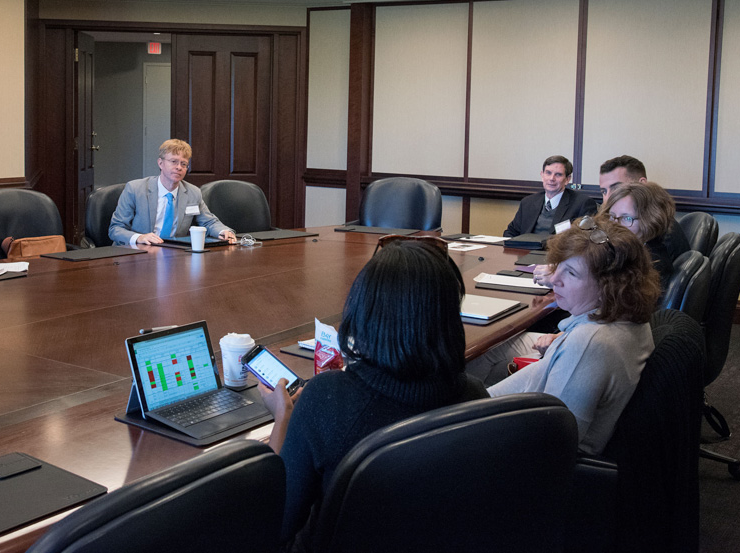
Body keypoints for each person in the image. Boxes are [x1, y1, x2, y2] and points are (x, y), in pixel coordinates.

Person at [260, 237, 487, 549]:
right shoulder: (474, 398)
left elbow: (274, 523)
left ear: (364, 314)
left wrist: (284, 417)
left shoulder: (328, 400)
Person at [488, 217, 660, 455]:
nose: (555, 278)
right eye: (558, 265)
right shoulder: (624, 318)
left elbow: (552, 444)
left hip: (510, 451)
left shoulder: (590, 343)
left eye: (571, 273)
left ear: (607, 287)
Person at [108, 139, 237, 246]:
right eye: (174, 161)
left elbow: (209, 222)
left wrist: (223, 231)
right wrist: (139, 237)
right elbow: (116, 229)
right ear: (160, 163)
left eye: (184, 164)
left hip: (173, 252)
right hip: (136, 253)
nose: (179, 167)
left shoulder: (193, 192)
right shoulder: (135, 189)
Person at [598, 154, 690, 260]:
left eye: (617, 188)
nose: (608, 198)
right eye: (604, 191)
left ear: (641, 184)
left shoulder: (659, 236)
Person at [601, 181, 678, 291]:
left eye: (626, 218)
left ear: (650, 221)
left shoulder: (652, 264)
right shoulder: (625, 250)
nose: (614, 224)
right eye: (612, 216)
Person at [503, 155, 597, 237]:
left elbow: (584, 241)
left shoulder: (582, 204)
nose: (552, 179)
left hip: (559, 255)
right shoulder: (528, 202)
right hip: (525, 253)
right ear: (542, 175)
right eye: (548, 173)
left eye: (558, 175)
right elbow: (510, 232)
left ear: (567, 179)